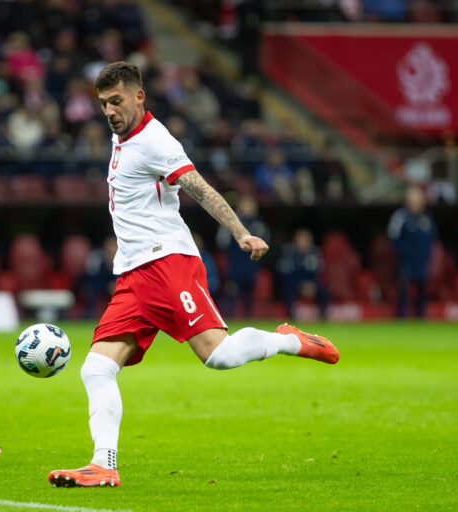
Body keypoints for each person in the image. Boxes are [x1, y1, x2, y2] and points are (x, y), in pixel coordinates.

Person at [48, 62, 339, 488]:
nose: (109, 111)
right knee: (95, 369)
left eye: (116, 101)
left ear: (138, 96)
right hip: (132, 275)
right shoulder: (120, 135)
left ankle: (290, 340)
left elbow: (199, 188)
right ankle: (103, 465)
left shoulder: (155, 141)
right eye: (103, 104)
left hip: (168, 264)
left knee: (217, 356)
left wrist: (241, 232)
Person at [216, 195, 269, 318]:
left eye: (251, 205)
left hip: (251, 265)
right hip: (235, 265)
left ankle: (248, 319)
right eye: (246, 205)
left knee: (249, 296)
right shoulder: (231, 222)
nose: (248, 208)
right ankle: (229, 319)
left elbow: (265, 241)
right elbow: (221, 242)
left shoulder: (258, 223)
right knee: (232, 294)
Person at [387, 186, 436, 317]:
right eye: (413, 201)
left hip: (421, 261)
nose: (416, 204)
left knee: (422, 290)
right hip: (405, 261)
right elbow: (393, 237)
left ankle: (421, 317)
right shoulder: (400, 217)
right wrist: (404, 252)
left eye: (418, 201)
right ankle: (401, 318)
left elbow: (432, 238)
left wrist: (426, 254)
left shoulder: (426, 218)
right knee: (403, 290)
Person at [277, 228, 328, 319]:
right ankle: (291, 317)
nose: (303, 243)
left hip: (310, 282)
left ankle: (324, 316)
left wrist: (309, 285)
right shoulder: (288, 251)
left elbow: (318, 270)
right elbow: (284, 272)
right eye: (301, 240)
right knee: (287, 289)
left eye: (306, 240)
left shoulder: (314, 252)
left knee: (323, 290)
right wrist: (301, 286)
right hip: (293, 281)